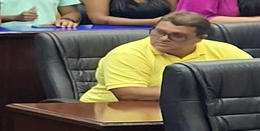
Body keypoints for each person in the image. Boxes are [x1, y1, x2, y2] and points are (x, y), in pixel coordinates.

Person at [79, 11, 250, 103]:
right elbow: (128, 93)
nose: (163, 39)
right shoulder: (128, 53)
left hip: (185, 109)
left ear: (199, 39)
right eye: (159, 32)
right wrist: (202, 92)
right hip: (109, 112)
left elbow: (254, 76)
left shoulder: (223, 50)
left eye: (176, 35)